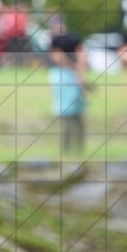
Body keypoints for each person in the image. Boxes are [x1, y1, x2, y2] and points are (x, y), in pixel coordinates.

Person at [47, 15, 88, 154]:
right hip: (62, 74)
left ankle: (77, 146)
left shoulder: (72, 38)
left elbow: (81, 53)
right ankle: (67, 146)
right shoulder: (54, 41)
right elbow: (57, 57)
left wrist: (79, 72)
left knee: (77, 110)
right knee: (66, 112)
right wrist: (75, 69)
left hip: (71, 75)